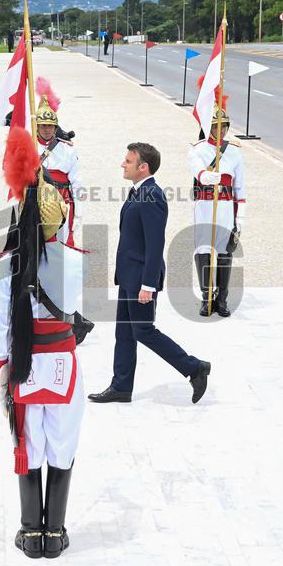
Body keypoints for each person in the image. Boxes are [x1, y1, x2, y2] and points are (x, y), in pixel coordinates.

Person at [0, 125, 83, 559]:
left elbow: (0, 322)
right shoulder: (77, 263)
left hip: (25, 363)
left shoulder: (11, 264)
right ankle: (55, 530)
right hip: (62, 359)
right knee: (62, 440)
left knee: (28, 442)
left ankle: (31, 531)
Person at [89, 143, 211, 405]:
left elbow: (155, 244)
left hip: (141, 279)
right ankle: (121, 387)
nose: (123, 164)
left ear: (143, 167)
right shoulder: (138, 192)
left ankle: (194, 368)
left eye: (128, 161)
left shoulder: (152, 195)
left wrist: (148, 284)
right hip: (129, 276)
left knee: (143, 331)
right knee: (124, 332)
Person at [187, 98, 246, 317]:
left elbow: (241, 187)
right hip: (204, 205)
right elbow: (197, 170)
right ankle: (206, 297)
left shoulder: (235, 151)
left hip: (225, 207)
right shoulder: (198, 150)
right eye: (215, 126)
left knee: (224, 251)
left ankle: (222, 299)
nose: (220, 130)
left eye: (224, 126)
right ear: (207, 127)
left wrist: (241, 217)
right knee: (203, 250)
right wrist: (205, 175)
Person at [34, 78, 82, 246]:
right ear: (37, 127)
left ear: (56, 128)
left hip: (62, 201)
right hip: (36, 201)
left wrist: (79, 213)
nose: (46, 129)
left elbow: (77, 182)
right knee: (34, 245)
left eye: (50, 126)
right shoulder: (29, 148)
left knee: (61, 247)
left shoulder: (68, 149)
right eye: (43, 125)